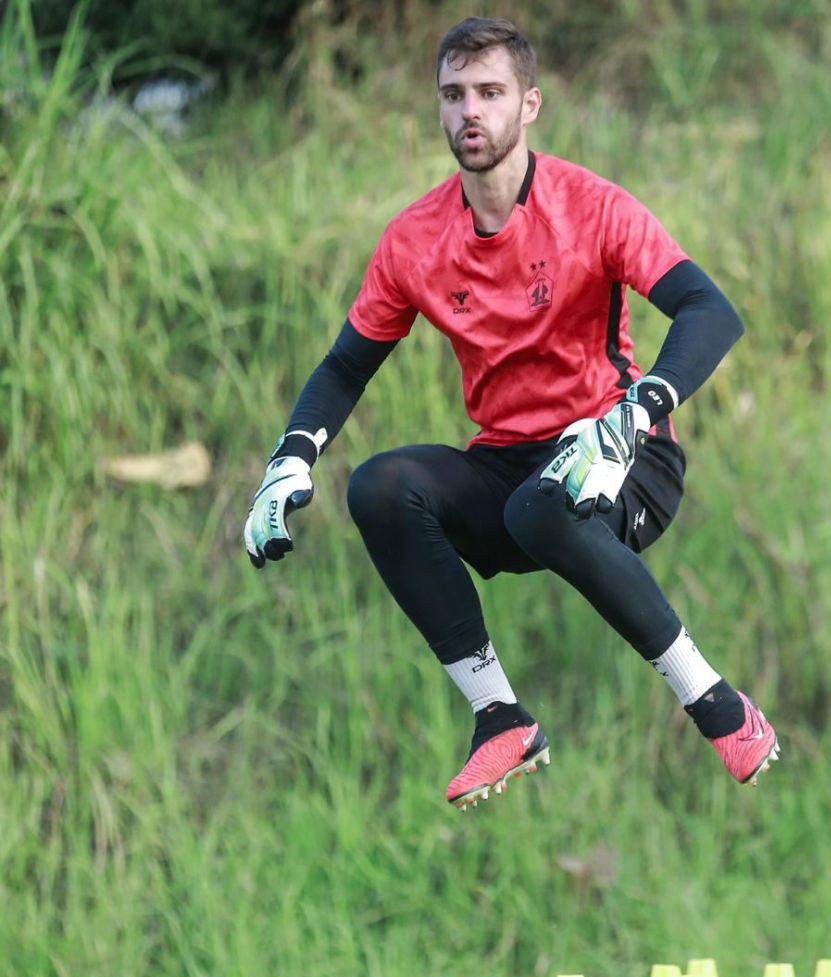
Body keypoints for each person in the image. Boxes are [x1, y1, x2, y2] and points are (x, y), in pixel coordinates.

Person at [245, 16, 779, 810]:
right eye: (454, 94)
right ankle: (499, 715)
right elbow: (345, 365)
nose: (471, 111)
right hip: (509, 464)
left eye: (490, 93)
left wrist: (636, 414)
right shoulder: (415, 240)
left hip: (621, 456)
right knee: (382, 487)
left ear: (529, 104)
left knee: (543, 501)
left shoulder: (590, 207)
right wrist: (290, 455)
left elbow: (710, 311)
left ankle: (717, 703)